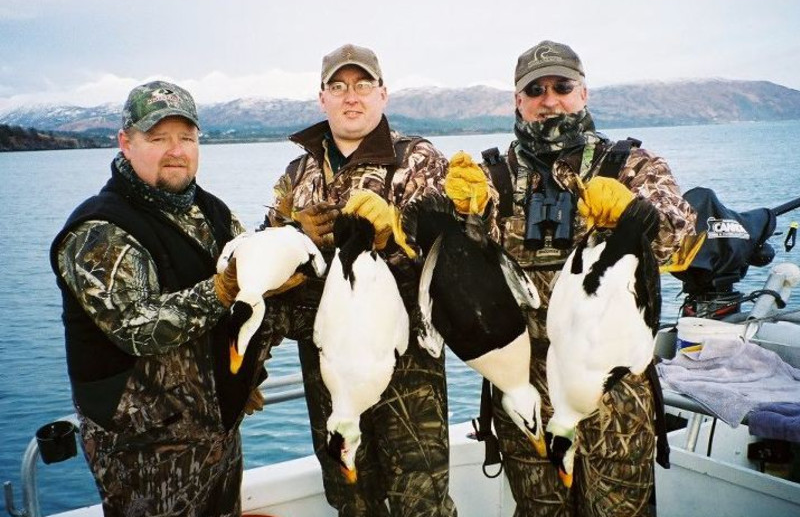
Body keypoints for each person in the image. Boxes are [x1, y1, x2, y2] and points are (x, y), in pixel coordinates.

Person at [51, 80, 291, 516]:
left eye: (186, 137)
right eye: (158, 138)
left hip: (218, 434)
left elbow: (253, 301)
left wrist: (293, 248)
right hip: (144, 455)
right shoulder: (97, 231)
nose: (175, 150)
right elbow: (136, 328)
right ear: (126, 143)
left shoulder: (212, 212)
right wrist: (224, 288)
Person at [478, 41, 697, 517]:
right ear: (518, 100)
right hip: (524, 391)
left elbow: (677, 233)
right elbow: (453, 265)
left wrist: (634, 212)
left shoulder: (632, 165)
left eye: (562, 86)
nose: (549, 99)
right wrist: (451, 214)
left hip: (614, 387)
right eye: (535, 89)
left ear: (583, 93)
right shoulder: (490, 177)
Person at [264, 44, 457, 517]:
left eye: (363, 85)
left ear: (383, 94)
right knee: (350, 495)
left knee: (422, 497)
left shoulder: (417, 159)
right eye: (339, 86)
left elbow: (454, 246)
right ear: (322, 98)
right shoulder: (297, 174)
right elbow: (265, 257)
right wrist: (293, 236)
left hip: (406, 361)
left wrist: (399, 231)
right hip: (327, 364)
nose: (352, 97)